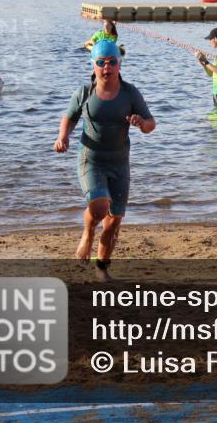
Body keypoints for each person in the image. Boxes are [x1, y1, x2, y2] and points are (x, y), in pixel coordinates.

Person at [54, 40, 155, 280]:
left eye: (111, 62)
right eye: (101, 63)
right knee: (100, 206)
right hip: (91, 158)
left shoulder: (130, 93)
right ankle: (87, 233)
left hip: (120, 163)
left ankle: (102, 267)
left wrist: (142, 124)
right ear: (93, 65)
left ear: (119, 64)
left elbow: (151, 123)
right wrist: (63, 137)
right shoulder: (85, 93)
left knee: (114, 221)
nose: (106, 68)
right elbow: (69, 117)